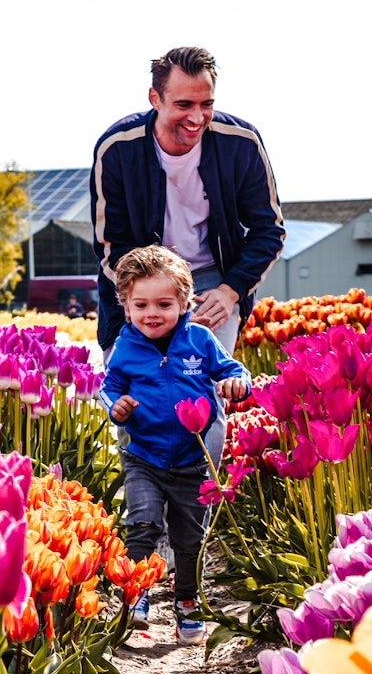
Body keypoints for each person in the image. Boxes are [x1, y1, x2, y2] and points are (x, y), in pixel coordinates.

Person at [90, 46, 285, 359]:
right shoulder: (117, 149)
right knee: (135, 398)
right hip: (138, 288)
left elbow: (268, 230)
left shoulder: (241, 143)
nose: (197, 117)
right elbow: (113, 246)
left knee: (204, 393)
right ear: (155, 99)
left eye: (206, 104)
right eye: (184, 104)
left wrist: (230, 291)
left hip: (211, 284)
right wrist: (157, 304)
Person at [98, 245, 250, 645]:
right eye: (141, 304)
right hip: (144, 456)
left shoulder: (199, 340)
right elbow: (110, 387)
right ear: (126, 306)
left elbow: (232, 369)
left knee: (189, 539)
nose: (152, 313)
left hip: (192, 462)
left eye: (164, 304)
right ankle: (137, 591)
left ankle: (186, 602)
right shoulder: (126, 346)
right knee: (142, 525)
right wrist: (117, 406)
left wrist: (237, 383)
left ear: (184, 302)